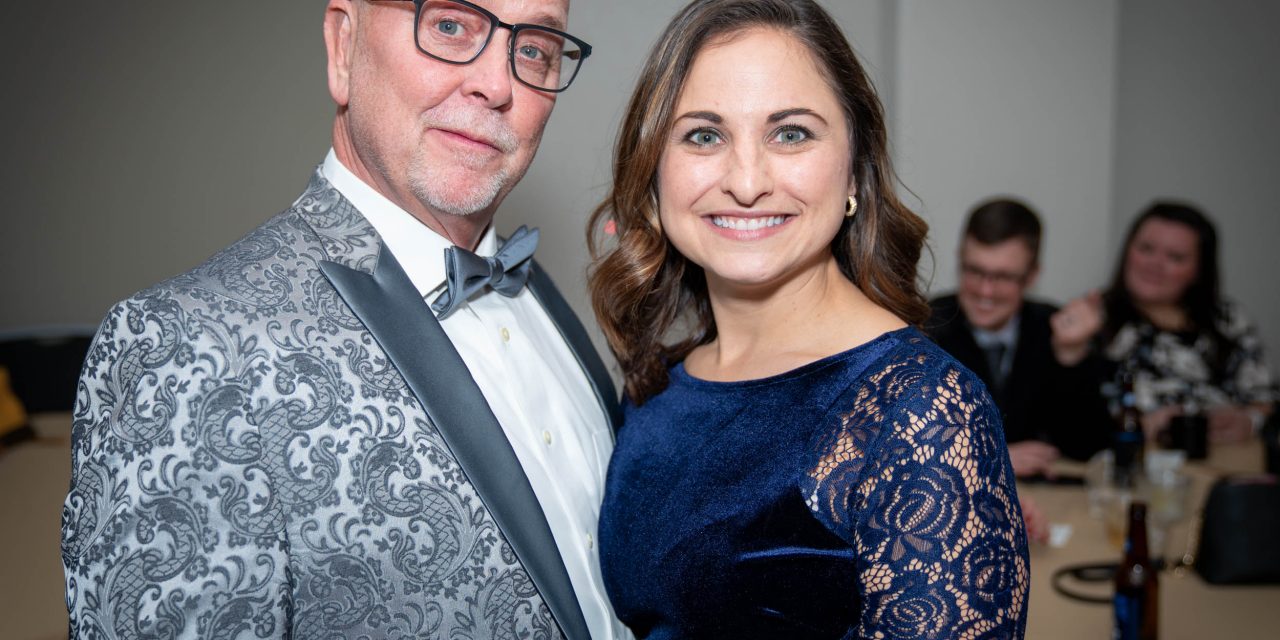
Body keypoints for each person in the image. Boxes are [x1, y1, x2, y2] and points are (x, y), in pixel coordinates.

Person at [60, 1, 627, 638]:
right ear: (343, 46)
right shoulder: (184, 347)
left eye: (534, 50)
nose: (496, 84)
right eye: (449, 25)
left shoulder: (539, 290)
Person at [587, 1, 1029, 637]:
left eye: (790, 133)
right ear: (653, 171)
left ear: (855, 168)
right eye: (704, 136)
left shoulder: (923, 412)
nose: (746, 182)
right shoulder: (656, 385)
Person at [1058, 201, 1277, 443]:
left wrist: (1250, 420)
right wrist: (1138, 427)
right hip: (1131, 457)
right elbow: (1066, 417)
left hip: (1223, 457)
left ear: (1199, 270)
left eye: (1175, 257)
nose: (1154, 265)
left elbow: (1264, 399)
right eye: (1146, 249)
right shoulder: (1090, 318)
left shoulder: (1227, 320)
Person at [927, 198, 1110, 477]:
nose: (985, 291)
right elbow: (903, 444)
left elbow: (1088, 449)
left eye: (1003, 277)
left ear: (1032, 275)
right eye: (974, 271)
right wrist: (991, 457)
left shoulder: (1054, 328)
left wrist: (1071, 357)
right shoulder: (924, 328)